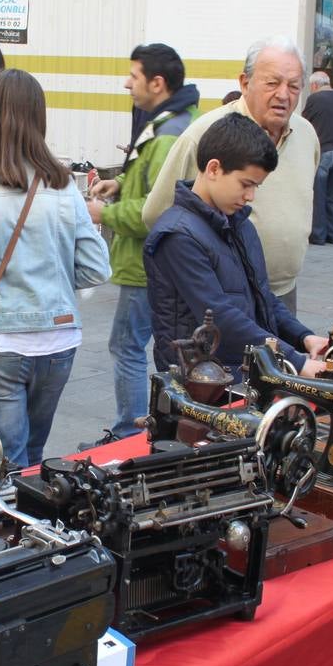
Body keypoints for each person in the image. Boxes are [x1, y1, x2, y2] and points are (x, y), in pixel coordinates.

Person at [0, 70, 111, 467]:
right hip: (61, 339)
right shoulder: (63, 185)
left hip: (1, 343)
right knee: (33, 454)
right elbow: (97, 269)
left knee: (5, 461)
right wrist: (55, 278)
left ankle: (7, 527)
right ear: (38, 119)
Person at [142, 35, 320, 316]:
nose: (284, 95)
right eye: (272, 83)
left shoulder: (307, 134)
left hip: (282, 294)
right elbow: (156, 215)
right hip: (222, 298)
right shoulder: (205, 133)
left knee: (282, 359)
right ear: (245, 82)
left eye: (294, 86)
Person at [145, 112, 328, 377]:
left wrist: (304, 338)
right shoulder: (177, 236)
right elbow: (220, 317)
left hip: (242, 369)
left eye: (257, 186)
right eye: (246, 184)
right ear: (214, 169)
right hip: (202, 380)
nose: (250, 196)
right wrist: (295, 362)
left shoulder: (240, 225)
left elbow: (263, 297)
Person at [86, 43, 198, 438]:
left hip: (148, 265)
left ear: (157, 82)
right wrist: (121, 183)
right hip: (161, 264)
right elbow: (155, 187)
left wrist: (104, 213)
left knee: (127, 347)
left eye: (133, 76)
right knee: (158, 349)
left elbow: (157, 212)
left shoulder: (168, 134)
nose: (126, 84)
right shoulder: (174, 121)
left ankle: (128, 432)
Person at [303, 70, 333, 245]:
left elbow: (304, 124)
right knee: (331, 195)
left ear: (315, 85)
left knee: (318, 194)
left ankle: (318, 235)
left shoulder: (315, 99)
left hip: (324, 151)